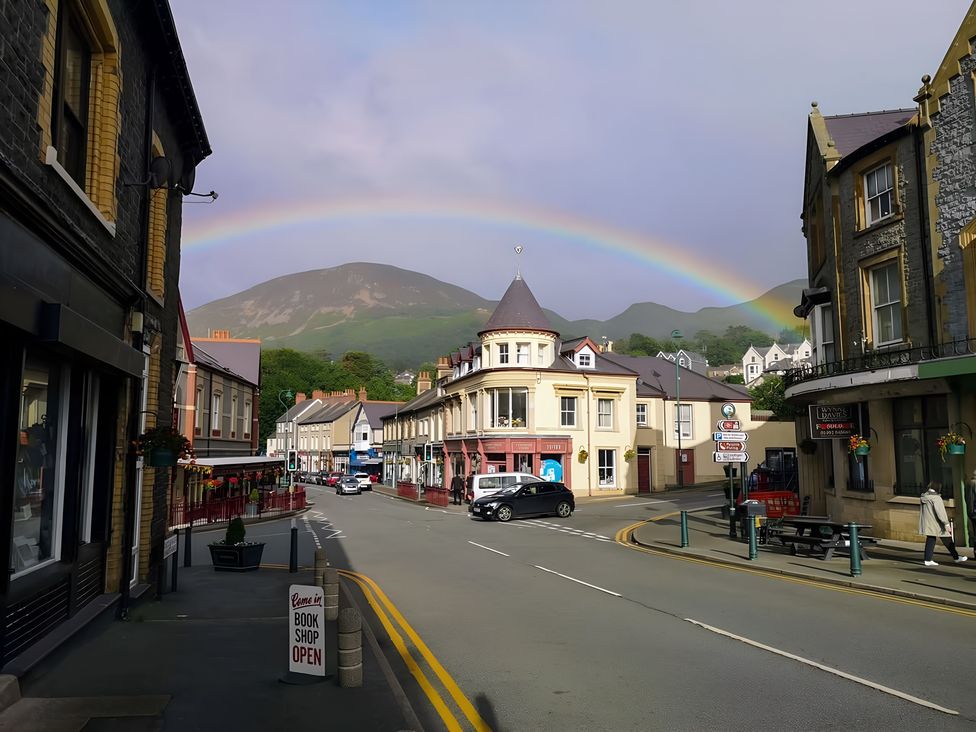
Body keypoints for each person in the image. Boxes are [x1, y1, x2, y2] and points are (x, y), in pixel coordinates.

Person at [919, 482, 967, 566]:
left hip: (929, 522)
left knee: (933, 539)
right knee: (946, 538)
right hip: (937, 523)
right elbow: (940, 512)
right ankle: (955, 557)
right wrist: (946, 523)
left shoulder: (924, 496)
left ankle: (929, 559)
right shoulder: (936, 498)